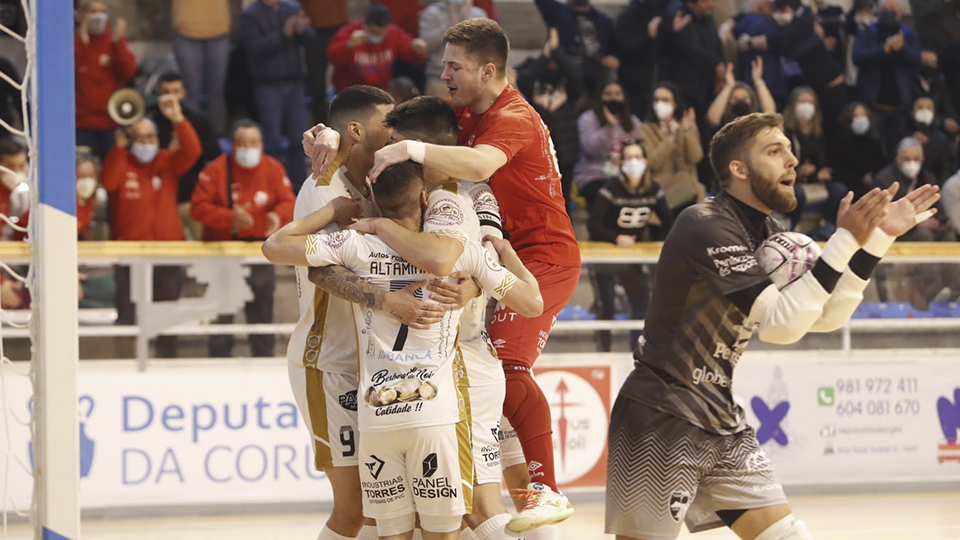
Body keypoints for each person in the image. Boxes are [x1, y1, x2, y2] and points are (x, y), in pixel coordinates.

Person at [605, 111, 940, 540]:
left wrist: (875, 239)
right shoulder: (704, 224)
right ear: (738, 169)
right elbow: (783, 319)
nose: (792, 160)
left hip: (720, 414)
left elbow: (812, 321)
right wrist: (842, 240)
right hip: (662, 411)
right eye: (774, 150)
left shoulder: (770, 232)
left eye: (790, 150)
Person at [358, 18, 581, 531]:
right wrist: (331, 133)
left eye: (454, 65)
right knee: (496, 392)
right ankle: (524, 505)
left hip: (542, 254)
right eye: (443, 63)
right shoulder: (466, 110)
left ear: (487, 70)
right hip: (502, 253)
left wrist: (409, 151)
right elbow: (399, 122)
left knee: (507, 365)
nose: (444, 72)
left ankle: (546, 489)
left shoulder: (514, 116)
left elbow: (478, 166)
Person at [262, 161, 543, 540]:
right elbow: (532, 305)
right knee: (450, 529)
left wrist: (332, 212)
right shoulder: (463, 253)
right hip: (434, 414)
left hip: (377, 416)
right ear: (426, 200)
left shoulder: (355, 245)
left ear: (373, 202)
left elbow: (274, 246)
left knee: (387, 532)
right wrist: (507, 255)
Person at [285, 85, 402, 540]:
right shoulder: (323, 189)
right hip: (327, 363)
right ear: (356, 129)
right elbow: (322, 273)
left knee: (382, 509)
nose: (395, 135)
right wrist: (390, 302)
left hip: (370, 366)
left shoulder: (369, 182)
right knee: (354, 511)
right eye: (386, 125)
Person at [101, 95, 201, 358]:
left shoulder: (166, 162)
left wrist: (177, 119)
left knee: (167, 315)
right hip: (130, 255)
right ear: (129, 141)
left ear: (158, 140)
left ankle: (168, 363)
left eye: (150, 138)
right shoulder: (121, 161)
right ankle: (125, 363)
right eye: (139, 139)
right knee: (128, 316)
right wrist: (119, 149)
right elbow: (109, 183)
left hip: (167, 253)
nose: (145, 144)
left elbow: (192, 152)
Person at [191, 120, 295, 358]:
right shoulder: (215, 170)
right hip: (223, 254)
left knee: (262, 314)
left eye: (253, 143)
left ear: (261, 144)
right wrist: (229, 217)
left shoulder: (273, 168)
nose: (248, 147)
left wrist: (276, 217)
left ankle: (263, 361)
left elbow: (289, 201)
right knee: (221, 317)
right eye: (242, 143)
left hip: (260, 251)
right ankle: (218, 364)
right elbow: (198, 208)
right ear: (232, 145)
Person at [587, 140, 673, 352]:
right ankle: (602, 352)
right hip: (605, 256)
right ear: (621, 162)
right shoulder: (611, 188)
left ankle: (636, 350)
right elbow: (593, 223)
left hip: (631, 257)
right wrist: (616, 238)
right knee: (605, 305)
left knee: (642, 300)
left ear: (645, 161)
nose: (633, 162)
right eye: (628, 157)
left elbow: (667, 221)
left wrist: (653, 241)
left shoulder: (653, 188)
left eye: (637, 157)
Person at [237, 0, 315, 193]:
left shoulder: (292, 8)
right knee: (272, 142)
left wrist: (302, 30)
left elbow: (310, 40)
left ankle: (300, 189)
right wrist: (284, 34)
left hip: (295, 83)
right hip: (267, 85)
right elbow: (255, 49)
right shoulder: (250, 15)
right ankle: (273, 188)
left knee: (300, 140)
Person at [515, 28, 583, 214]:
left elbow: (578, 79)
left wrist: (559, 54)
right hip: (538, 146)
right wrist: (545, 56)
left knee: (564, 196)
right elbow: (525, 80)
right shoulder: (533, 68)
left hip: (566, 149)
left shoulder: (568, 73)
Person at [150, 71, 222, 240]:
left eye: (175, 91)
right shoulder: (150, 123)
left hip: (190, 196)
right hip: (159, 197)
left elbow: (215, 154)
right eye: (166, 92)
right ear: (158, 94)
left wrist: (185, 144)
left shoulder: (198, 122)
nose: (171, 97)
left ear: (183, 93)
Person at [852, 0, 922, 152]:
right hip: (873, 103)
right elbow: (857, 57)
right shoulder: (867, 32)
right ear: (878, 11)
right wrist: (884, 49)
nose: (889, 12)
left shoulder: (909, 34)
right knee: (874, 148)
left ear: (900, 12)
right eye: (886, 9)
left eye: (893, 9)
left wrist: (901, 48)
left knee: (899, 147)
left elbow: (917, 60)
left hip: (901, 104)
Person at [74, 0, 136, 160]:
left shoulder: (114, 41)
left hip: (111, 123)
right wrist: (83, 44)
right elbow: (67, 76)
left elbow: (128, 72)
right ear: (80, 15)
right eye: (92, 11)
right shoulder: (72, 42)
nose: (98, 16)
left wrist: (118, 43)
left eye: (101, 11)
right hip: (81, 124)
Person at [782, 86, 846, 233]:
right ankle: (790, 227)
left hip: (814, 180)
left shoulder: (817, 132)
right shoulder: (785, 131)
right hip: (793, 179)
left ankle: (827, 228)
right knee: (796, 193)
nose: (807, 106)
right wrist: (799, 171)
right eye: (802, 101)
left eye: (810, 102)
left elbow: (822, 161)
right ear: (793, 105)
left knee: (839, 190)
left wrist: (822, 172)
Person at [327, 3, 429, 92]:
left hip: (381, 91)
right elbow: (332, 57)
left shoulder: (394, 33)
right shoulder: (350, 32)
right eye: (374, 33)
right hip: (350, 91)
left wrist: (419, 51)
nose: (378, 36)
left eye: (382, 33)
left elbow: (414, 56)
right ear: (366, 25)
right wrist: (349, 45)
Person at [639, 83, 705, 213]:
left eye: (665, 100)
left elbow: (696, 157)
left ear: (675, 104)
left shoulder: (685, 125)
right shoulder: (646, 129)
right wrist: (669, 141)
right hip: (661, 186)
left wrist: (687, 132)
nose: (660, 104)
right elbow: (651, 163)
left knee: (697, 190)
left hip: (688, 186)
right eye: (656, 100)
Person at [575, 81, 643, 207]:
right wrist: (608, 128)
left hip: (626, 175)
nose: (613, 98)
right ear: (600, 97)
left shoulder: (634, 122)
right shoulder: (588, 119)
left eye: (617, 94)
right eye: (608, 94)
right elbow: (591, 149)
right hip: (594, 176)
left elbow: (641, 151)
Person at [534, 0, 619, 95]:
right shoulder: (556, 12)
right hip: (566, 70)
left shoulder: (604, 20)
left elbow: (613, 46)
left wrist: (612, 56)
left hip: (597, 70)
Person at [171, 0, 231, 135]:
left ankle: (217, 140)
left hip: (218, 31)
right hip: (186, 31)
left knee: (217, 93)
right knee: (190, 93)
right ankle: (189, 138)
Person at [420, 0, 488, 98]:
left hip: (471, 80)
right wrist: (450, 25)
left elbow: (484, 49)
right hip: (439, 77)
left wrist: (467, 24)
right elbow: (426, 44)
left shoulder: (478, 14)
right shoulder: (431, 12)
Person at [299, 0, 348, 124]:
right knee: (317, 83)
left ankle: (344, 121)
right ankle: (320, 126)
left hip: (339, 25)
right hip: (313, 27)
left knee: (344, 79)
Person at [828, 102, 887, 199]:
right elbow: (838, 171)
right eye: (856, 115)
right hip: (849, 185)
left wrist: (872, 175)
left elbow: (881, 164)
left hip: (871, 184)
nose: (860, 119)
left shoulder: (874, 140)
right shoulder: (841, 141)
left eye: (863, 115)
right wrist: (860, 179)